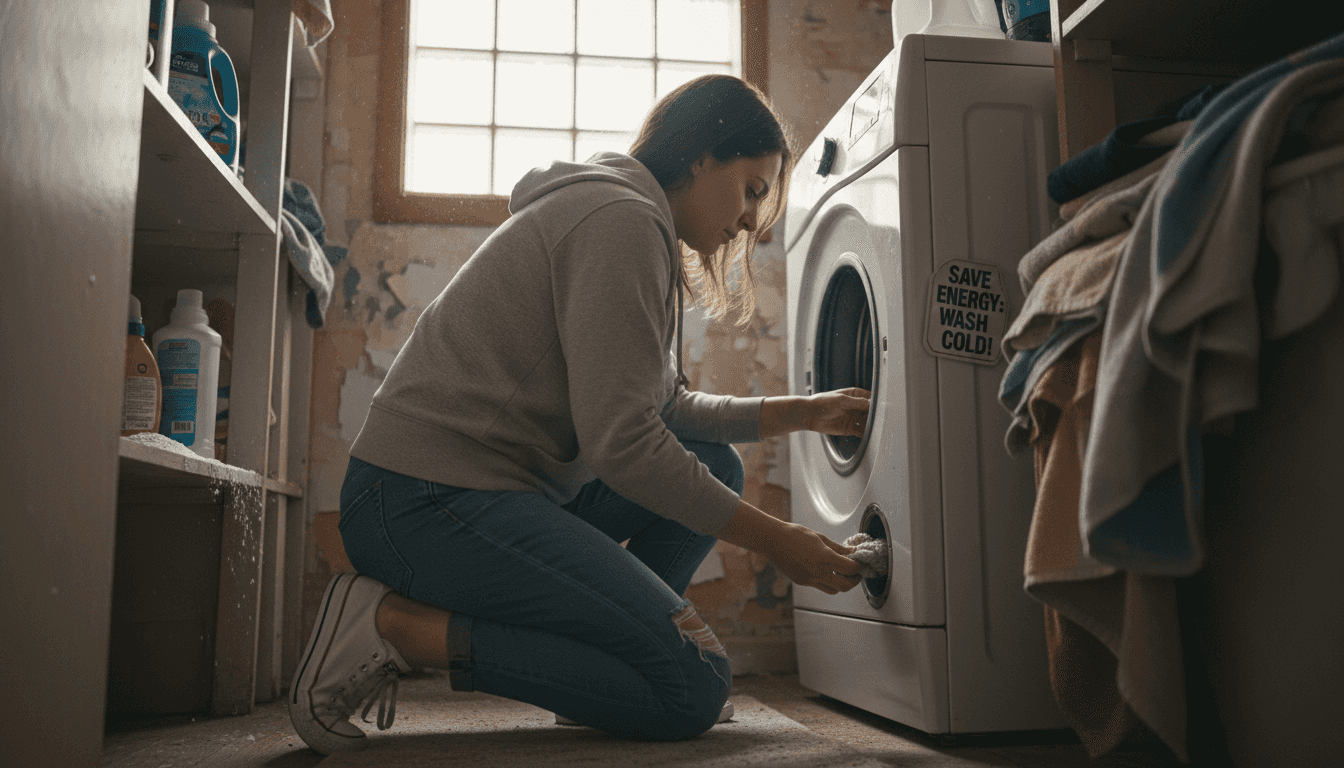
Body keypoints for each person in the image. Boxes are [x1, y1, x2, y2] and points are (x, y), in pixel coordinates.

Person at [288, 74, 872, 755]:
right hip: (420, 504)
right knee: (690, 686)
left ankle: (597, 671)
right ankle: (394, 626)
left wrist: (801, 411)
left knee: (715, 464)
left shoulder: (633, 223)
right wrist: (779, 540)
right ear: (701, 155)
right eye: (751, 188)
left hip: (473, 496)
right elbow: (624, 443)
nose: (749, 219)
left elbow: (664, 408)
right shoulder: (620, 221)